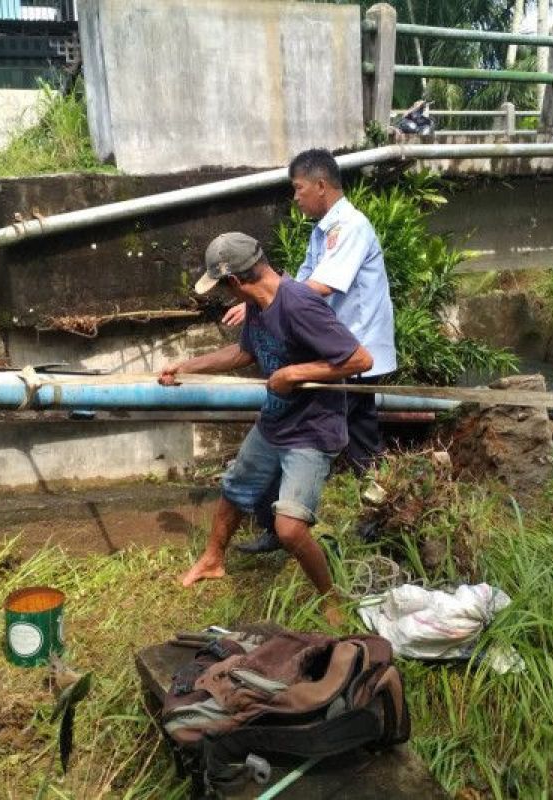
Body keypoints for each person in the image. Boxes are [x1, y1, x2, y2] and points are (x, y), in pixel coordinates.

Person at [160, 232, 373, 627]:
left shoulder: (299, 305)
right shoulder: (256, 305)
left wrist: (293, 372)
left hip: (311, 430)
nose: (223, 296)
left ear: (235, 281)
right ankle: (212, 559)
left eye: (221, 288)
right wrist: (187, 366)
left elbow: (359, 358)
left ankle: (331, 600)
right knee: (235, 489)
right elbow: (245, 351)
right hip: (275, 421)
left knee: (290, 530)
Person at [225, 148, 396, 553]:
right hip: (326, 353)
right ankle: (279, 525)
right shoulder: (323, 230)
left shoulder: (351, 227)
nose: (296, 198)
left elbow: (321, 285)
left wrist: (257, 296)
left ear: (321, 185)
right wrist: (260, 297)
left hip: (351, 355)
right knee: (289, 428)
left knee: (359, 444)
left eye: (299, 189)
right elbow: (297, 284)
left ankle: (384, 520)